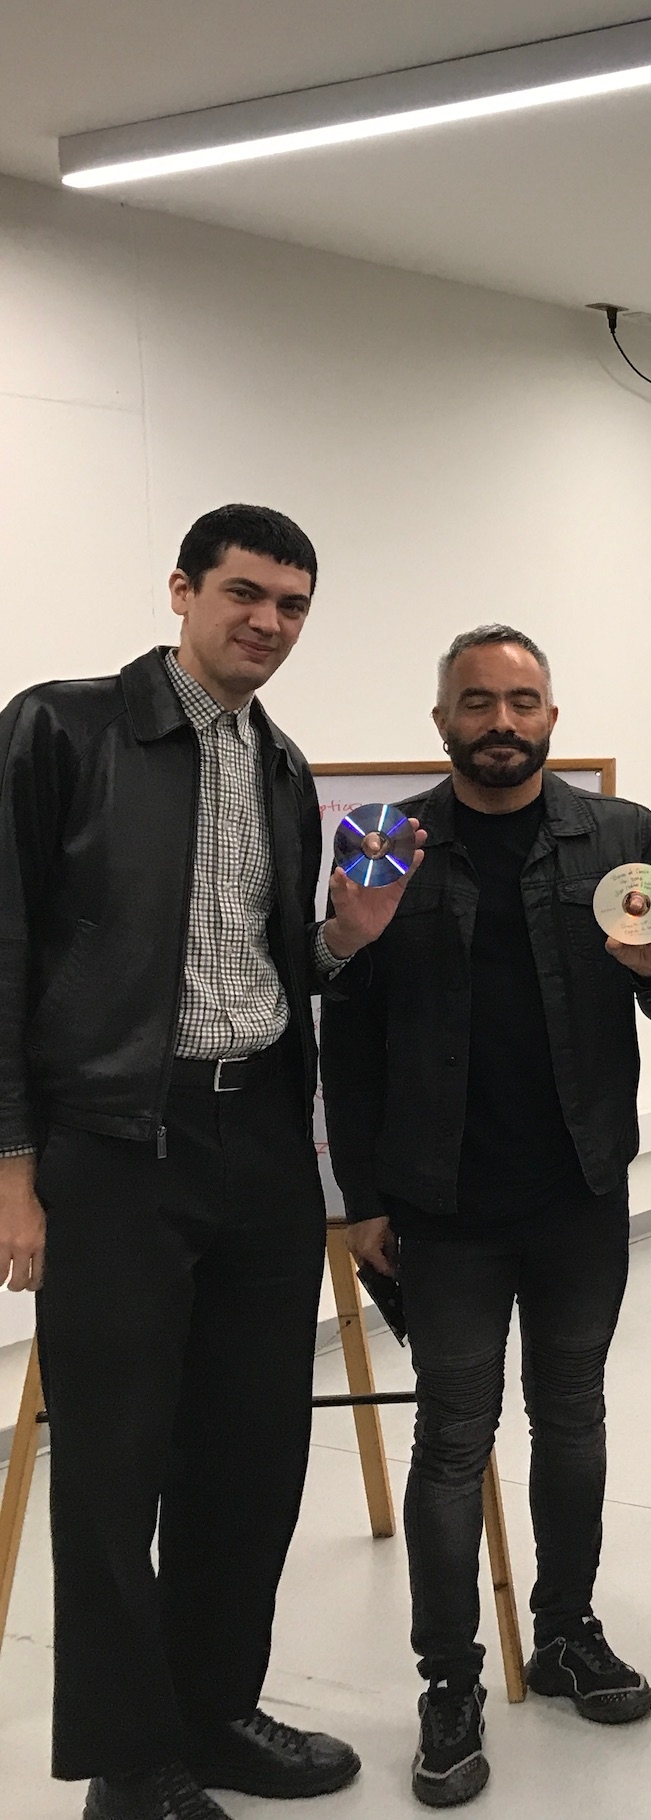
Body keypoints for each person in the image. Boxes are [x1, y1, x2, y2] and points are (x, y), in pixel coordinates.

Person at [0, 507, 416, 1820]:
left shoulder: (284, 766)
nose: (270, 624)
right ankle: (131, 1767)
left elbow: (270, 964)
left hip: (260, 1139)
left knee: (250, 1453)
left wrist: (342, 944)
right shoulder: (62, 732)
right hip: (118, 1140)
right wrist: (12, 1162)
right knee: (116, 1468)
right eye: (246, 594)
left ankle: (217, 1710)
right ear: (181, 589)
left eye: (294, 605)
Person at [324, 625, 651, 1807]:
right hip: (441, 1206)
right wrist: (362, 1201)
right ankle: (450, 1684)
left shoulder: (625, 835)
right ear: (441, 718)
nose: (502, 719)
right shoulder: (385, 841)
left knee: (574, 1415)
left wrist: (649, 964)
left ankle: (570, 1630)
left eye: (522, 700)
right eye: (477, 700)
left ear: (552, 714)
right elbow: (348, 1021)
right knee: (451, 1444)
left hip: (580, 1190)